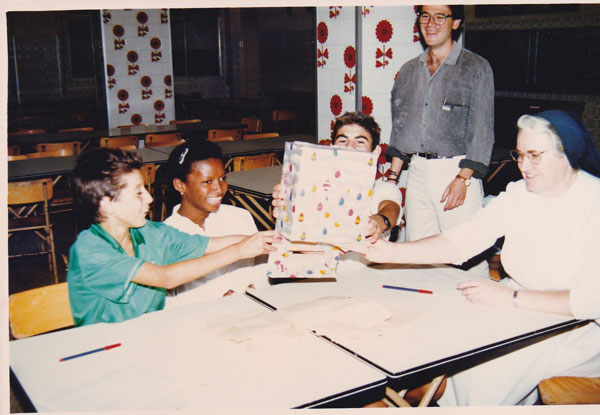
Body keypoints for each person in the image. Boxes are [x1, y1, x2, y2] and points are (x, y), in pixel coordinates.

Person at [353, 110, 600, 405]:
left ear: (567, 153)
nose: (524, 166)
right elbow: (463, 240)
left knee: (488, 364)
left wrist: (511, 299)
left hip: (578, 328)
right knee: (439, 332)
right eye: (520, 155)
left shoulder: (593, 204)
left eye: (535, 156)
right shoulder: (520, 194)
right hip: (517, 303)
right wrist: (391, 252)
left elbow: (589, 301)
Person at [67, 147, 279, 327]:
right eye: (138, 193)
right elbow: (165, 277)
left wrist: (272, 235)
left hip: (150, 334)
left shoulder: (150, 232)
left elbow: (211, 244)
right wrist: (240, 251)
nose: (149, 198)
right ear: (107, 204)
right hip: (105, 345)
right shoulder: (90, 248)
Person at [386, 5, 494, 276]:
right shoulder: (408, 70)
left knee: (466, 253)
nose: (431, 23)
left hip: (456, 172)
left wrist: (463, 178)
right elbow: (401, 128)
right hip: (417, 172)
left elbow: (483, 129)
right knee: (420, 255)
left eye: (440, 17)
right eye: (425, 16)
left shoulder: (476, 67)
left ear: (455, 22)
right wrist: (392, 178)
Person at [273, 111, 403, 249]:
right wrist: (284, 210)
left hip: (366, 261)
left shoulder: (384, 189)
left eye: (360, 142)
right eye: (342, 141)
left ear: (375, 152)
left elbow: (392, 209)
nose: (349, 147)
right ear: (332, 148)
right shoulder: (316, 187)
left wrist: (379, 222)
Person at [163, 141, 261, 304]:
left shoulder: (240, 217)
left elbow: (261, 267)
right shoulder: (168, 234)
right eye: (207, 182)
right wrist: (218, 301)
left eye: (222, 178)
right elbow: (170, 301)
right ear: (180, 185)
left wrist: (258, 288)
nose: (219, 189)